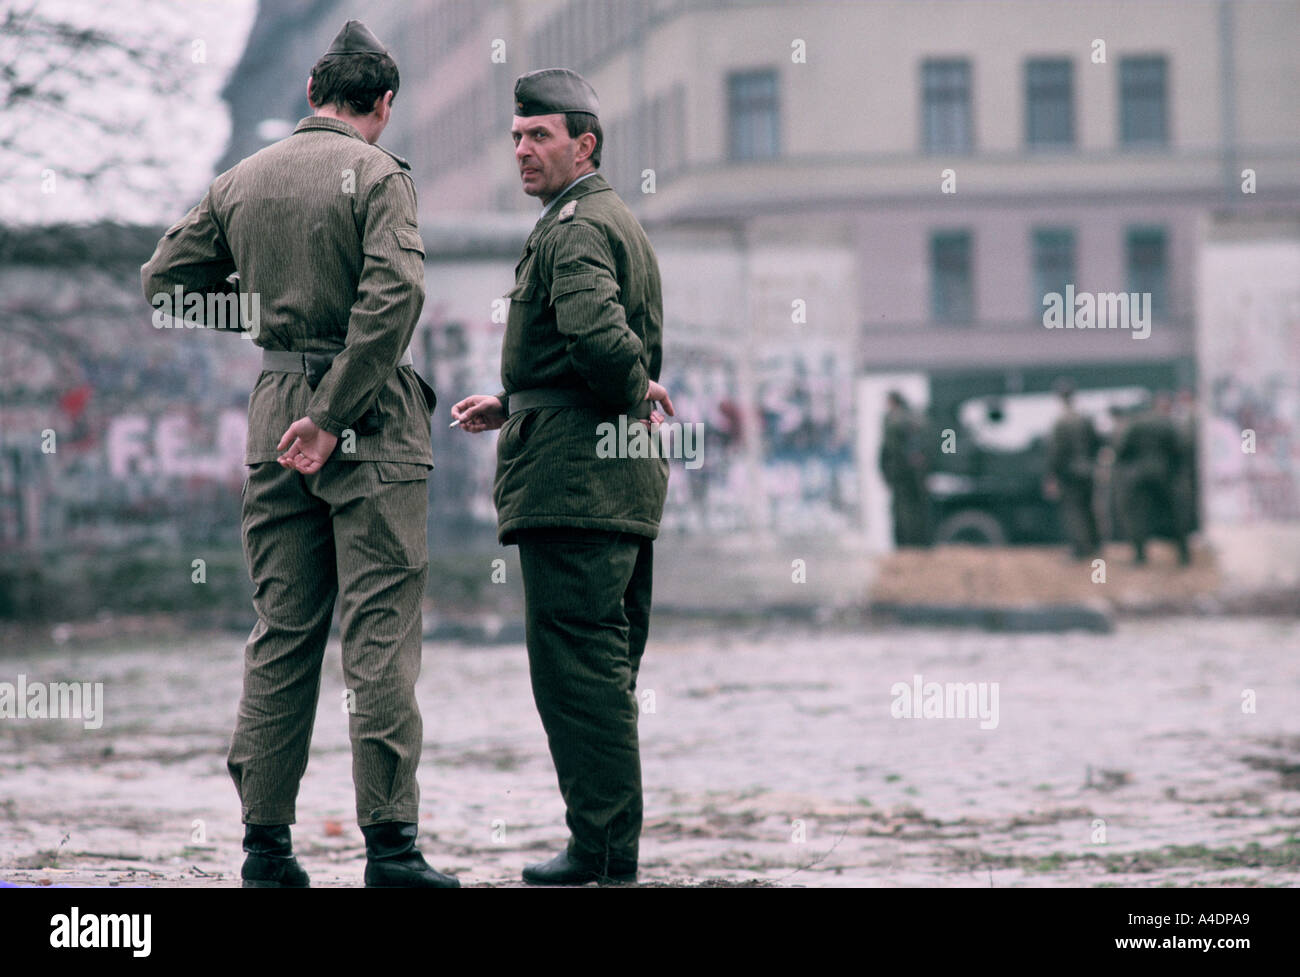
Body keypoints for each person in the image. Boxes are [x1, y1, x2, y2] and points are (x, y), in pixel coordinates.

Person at [140, 20, 457, 888]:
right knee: (380, 638)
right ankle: (391, 851)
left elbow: (164, 285)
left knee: (282, 633)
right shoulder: (381, 175)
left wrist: (263, 321)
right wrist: (334, 408)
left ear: (313, 96)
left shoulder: (241, 180)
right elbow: (395, 297)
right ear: (380, 105)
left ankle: (265, 850)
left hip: (274, 409)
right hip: (370, 418)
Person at [452, 68, 672, 886]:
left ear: (584, 142)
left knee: (581, 678)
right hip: (612, 486)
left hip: (576, 490)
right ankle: (601, 846)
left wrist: (630, 384)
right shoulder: (612, 218)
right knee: (603, 675)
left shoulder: (573, 226)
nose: (522, 150)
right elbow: (588, 351)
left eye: (538, 135)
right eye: (515, 136)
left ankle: (605, 856)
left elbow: (599, 336)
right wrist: (516, 402)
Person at [1113, 392, 1190, 566]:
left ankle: (1140, 556)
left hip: (1138, 477)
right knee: (1174, 514)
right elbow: (1179, 448)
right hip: (1164, 474)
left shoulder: (1134, 423)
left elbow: (1122, 449)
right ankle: (1183, 554)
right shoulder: (1166, 422)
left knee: (1138, 516)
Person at [1044, 378, 1101, 559]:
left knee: (1073, 510)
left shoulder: (1061, 422)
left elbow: (1056, 452)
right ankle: (1095, 545)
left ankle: (1080, 549)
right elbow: (1097, 443)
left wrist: (1051, 475)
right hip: (1088, 470)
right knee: (1088, 508)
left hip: (1069, 472)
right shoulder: (1085, 418)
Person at [878, 391, 932, 547]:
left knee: (902, 514)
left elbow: (888, 450)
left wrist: (886, 472)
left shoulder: (893, 420)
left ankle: (905, 547)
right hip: (918, 475)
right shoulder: (919, 418)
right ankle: (918, 546)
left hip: (900, 475)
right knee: (917, 512)